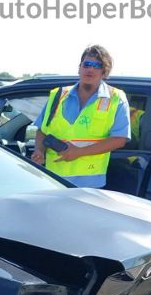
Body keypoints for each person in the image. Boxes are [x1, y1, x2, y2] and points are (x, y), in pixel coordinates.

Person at [31, 45, 131, 188]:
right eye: (87, 64)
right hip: (53, 179)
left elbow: (119, 140)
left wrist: (78, 152)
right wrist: (39, 151)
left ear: (104, 71)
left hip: (90, 182)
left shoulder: (116, 98)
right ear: (79, 68)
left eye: (97, 65)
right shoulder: (58, 95)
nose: (90, 69)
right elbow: (42, 130)